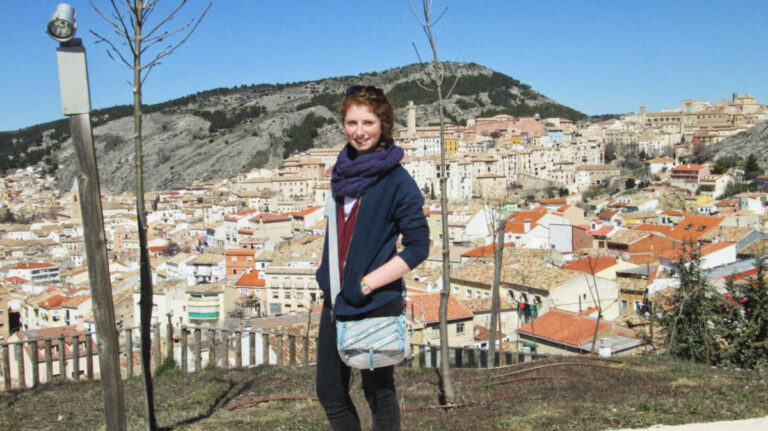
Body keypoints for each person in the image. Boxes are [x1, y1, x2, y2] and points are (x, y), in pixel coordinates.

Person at [315, 85, 430, 431]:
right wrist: (327, 274)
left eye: (368, 122)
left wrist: (367, 283)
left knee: (379, 394)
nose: (359, 131)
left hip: (374, 301)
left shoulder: (397, 180)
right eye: (352, 122)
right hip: (334, 301)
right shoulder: (341, 173)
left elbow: (418, 245)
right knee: (330, 393)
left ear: (383, 123)